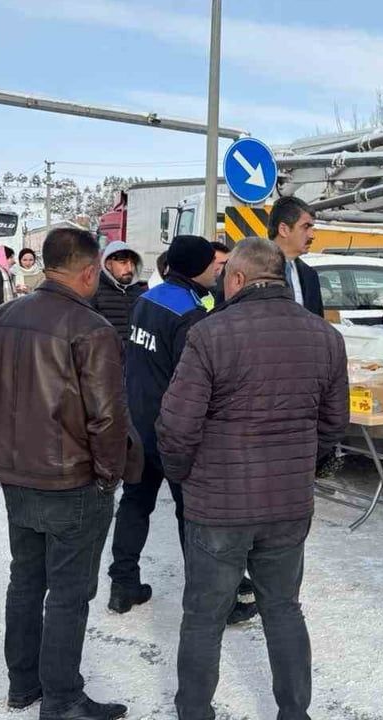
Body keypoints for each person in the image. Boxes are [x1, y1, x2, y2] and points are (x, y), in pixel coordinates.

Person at [156, 237, 348, 720]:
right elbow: (333, 423)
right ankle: (294, 712)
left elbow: (177, 427)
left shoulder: (210, 334)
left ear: (237, 279)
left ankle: (195, 712)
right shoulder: (325, 336)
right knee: (284, 608)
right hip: (287, 504)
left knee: (204, 614)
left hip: (218, 504)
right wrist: (304, 466)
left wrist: (183, 478)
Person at [0, 227, 134, 720]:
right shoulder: (91, 328)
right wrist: (109, 476)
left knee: (25, 580)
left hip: (17, 474)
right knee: (68, 593)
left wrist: (2, 455)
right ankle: (61, 698)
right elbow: (108, 417)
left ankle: (23, 684)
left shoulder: (2, 317)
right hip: (72, 481)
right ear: (89, 272)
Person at [109, 235, 256, 625]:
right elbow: (194, 381)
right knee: (194, 517)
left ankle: (123, 584)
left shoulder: (146, 300)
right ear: (196, 267)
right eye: (213, 265)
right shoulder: (190, 313)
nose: (217, 271)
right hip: (173, 430)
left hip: (138, 422)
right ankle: (214, 601)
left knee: (135, 504)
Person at [268, 195, 324, 316]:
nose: (312, 235)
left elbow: (317, 324)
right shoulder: (250, 270)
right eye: (306, 227)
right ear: (284, 230)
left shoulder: (310, 276)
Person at [93, 240, 147, 342]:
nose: (129, 269)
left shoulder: (140, 294)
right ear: (109, 265)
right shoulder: (95, 291)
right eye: (123, 263)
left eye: (132, 263)